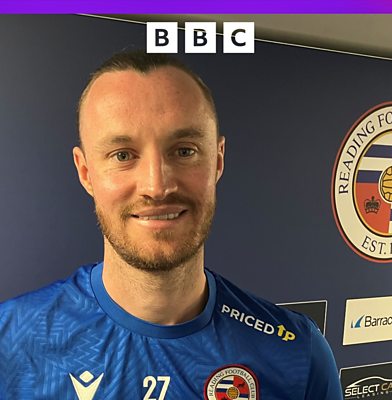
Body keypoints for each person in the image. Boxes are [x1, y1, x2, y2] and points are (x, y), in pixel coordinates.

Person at [0, 51, 343, 399]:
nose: (156, 186)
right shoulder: (9, 343)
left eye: (184, 151)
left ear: (217, 161)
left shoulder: (297, 355)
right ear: (86, 172)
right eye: (123, 155)